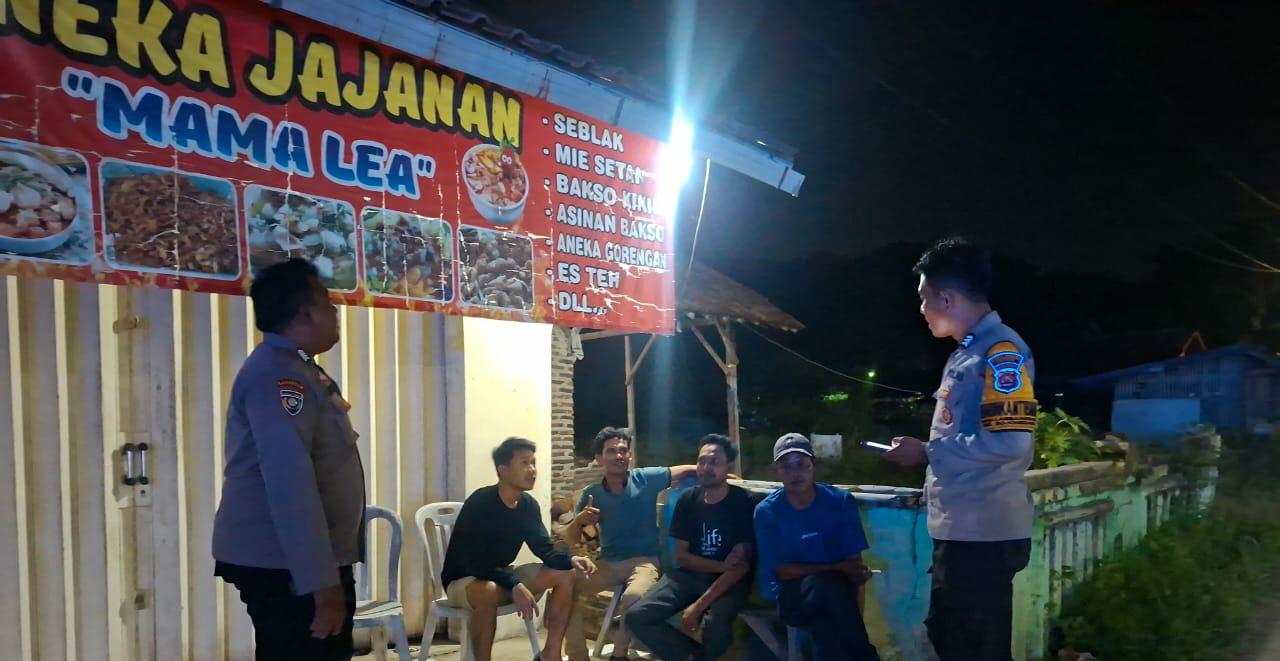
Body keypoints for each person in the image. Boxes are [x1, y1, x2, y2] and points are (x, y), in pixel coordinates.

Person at [882, 238, 1038, 661]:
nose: (921, 309)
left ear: (947, 298)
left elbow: (1011, 440)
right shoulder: (968, 352)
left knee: (972, 646)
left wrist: (927, 452)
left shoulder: (1001, 352)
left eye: (924, 298)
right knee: (952, 636)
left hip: (982, 533)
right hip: (966, 530)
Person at [212, 258, 365, 660]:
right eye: (327, 301)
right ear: (305, 312)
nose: (335, 311)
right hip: (286, 566)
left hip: (298, 563)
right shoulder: (277, 377)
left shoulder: (297, 369)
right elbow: (290, 484)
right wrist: (321, 583)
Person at [440, 437, 597, 661]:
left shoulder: (528, 505)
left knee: (565, 574)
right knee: (488, 591)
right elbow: (474, 562)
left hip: (501, 575)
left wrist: (571, 559)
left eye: (533, 463)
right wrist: (514, 584)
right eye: (524, 463)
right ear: (502, 469)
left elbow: (544, 549)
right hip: (464, 580)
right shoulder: (481, 502)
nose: (532, 470)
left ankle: (550, 654)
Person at [562, 427, 697, 661]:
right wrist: (580, 520)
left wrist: (718, 472)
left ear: (630, 455)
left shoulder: (645, 478)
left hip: (644, 562)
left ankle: (619, 654)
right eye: (611, 451)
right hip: (608, 563)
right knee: (564, 587)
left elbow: (683, 470)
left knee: (632, 597)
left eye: (623, 450)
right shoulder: (592, 493)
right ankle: (577, 655)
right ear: (599, 458)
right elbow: (569, 537)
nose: (618, 456)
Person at [626, 434, 755, 661]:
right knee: (638, 616)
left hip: (729, 582)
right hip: (690, 576)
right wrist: (721, 565)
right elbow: (682, 557)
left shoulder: (744, 502)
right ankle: (691, 656)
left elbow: (740, 567)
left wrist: (697, 607)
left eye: (714, 462)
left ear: (729, 466)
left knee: (715, 626)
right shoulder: (688, 500)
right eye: (702, 461)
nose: (706, 468)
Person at [754, 433, 880, 661]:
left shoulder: (839, 502)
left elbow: (854, 566)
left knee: (827, 628)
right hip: (793, 598)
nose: (795, 473)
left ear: (813, 465)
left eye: (801, 464)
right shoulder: (767, 512)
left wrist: (844, 572)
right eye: (786, 466)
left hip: (837, 597)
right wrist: (835, 567)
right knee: (827, 585)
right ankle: (865, 655)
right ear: (776, 471)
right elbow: (782, 572)